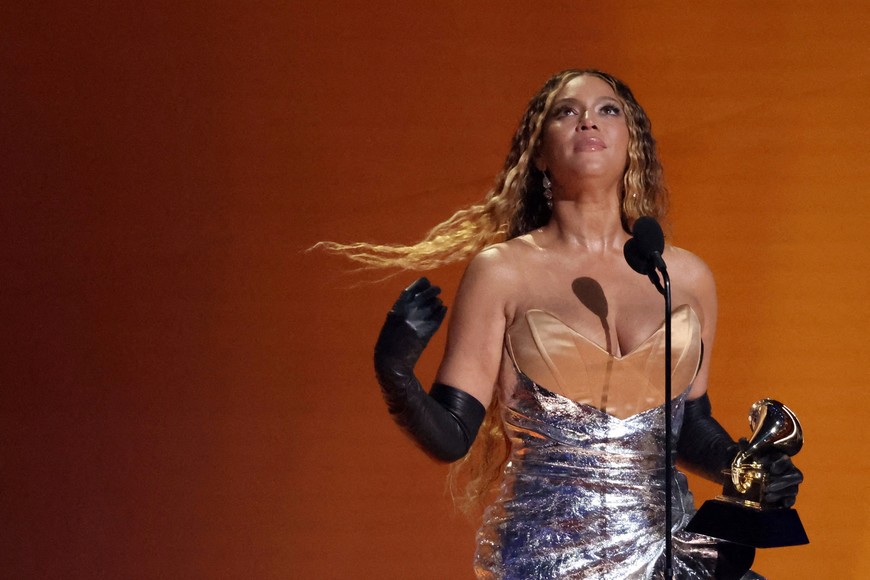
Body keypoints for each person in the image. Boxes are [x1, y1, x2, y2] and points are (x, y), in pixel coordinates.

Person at [320, 69, 802, 579]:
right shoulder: (502, 273)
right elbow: (453, 435)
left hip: (669, 555)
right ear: (540, 155)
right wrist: (394, 372)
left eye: (607, 110)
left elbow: (690, 427)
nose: (588, 120)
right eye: (566, 112)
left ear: (631, 144)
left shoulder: (682, 277)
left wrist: (742, 466)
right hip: (547, 559)